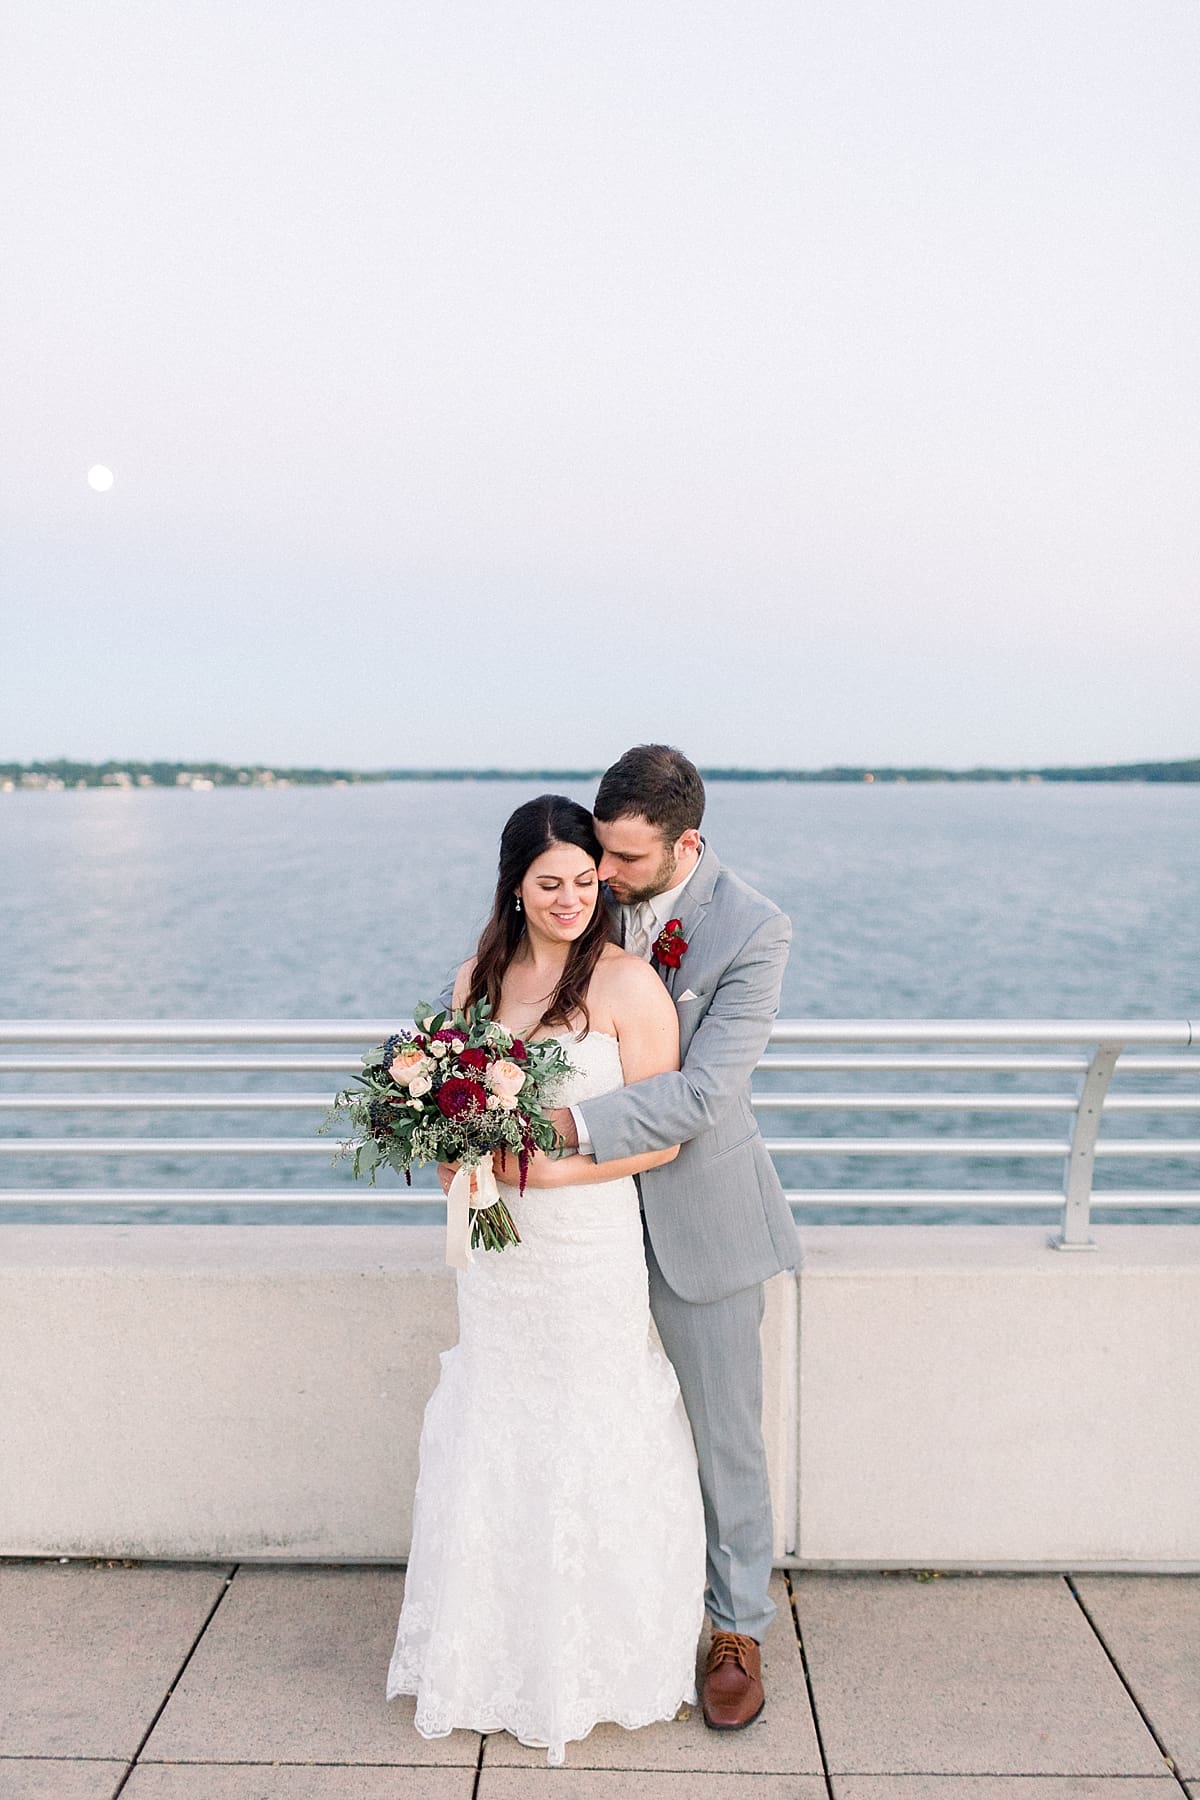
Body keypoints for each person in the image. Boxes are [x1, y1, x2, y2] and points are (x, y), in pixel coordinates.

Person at [386, 794, 707, 1766]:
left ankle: (598, 1661)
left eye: (584, 880)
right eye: (549, 883)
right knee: (498, 1412)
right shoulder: (475, 978)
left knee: (584, 1418)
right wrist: (447, 1150)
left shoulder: (628, 988)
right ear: (515, 886)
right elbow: (454, 1097)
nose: (570, 899)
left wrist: (547, 1172)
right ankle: (491, 1655)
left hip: (584, 1244)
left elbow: (662, 1137)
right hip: (497, 1249)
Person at [527, 744, 800, 1731]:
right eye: (598, 852)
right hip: (579, 1230)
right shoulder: (575, 893)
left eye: (628, 862)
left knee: (725, 1438)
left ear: (688, 844)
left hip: (699, 1221)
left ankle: (736, 1628)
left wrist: (563, 1128)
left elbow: (704, 1093)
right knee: (587, 1426)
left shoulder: (754, 929)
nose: (603, 877)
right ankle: (604, 1610)